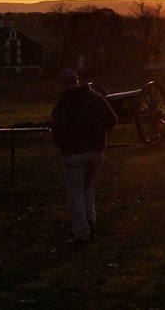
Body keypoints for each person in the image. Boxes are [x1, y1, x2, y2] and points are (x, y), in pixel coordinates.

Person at [51, 68, 118, 246]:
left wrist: (64, 144)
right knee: (87, 187)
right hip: (96, 152)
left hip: (74, 154)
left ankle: (82, 233)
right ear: (77, 81)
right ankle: (90, 219)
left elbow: (58, 133)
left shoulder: (63, 104)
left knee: (76, 194)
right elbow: (112, 120)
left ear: (62, 84)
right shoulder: (95, 98)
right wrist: (97, 134)